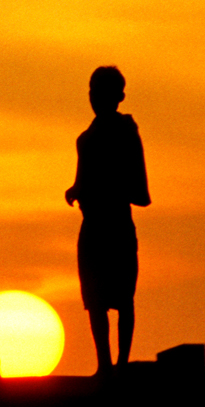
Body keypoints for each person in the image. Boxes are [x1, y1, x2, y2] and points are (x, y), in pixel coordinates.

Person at [65, 66, 150, 376]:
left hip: (116, 222)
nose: (95, 97)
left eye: (102, 91)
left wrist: (98, 187)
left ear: (119, 97)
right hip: (93, 225)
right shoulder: (85, 138)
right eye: (93, 90)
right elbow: (82, 178)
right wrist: (77, 190)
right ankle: (104, 363)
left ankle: (122, 363)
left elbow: (136, 186)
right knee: (95, 300)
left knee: (123, 297)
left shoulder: (126, 130)